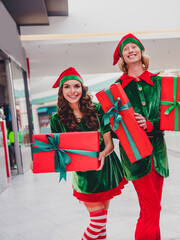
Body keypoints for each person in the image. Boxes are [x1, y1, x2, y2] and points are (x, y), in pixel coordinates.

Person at [50, 67, 128, 240]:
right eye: (67, 87)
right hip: (84, 176)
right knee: (97, 222)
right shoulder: (57, 119)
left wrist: (103, 154)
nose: (72, 91)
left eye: (76, 86)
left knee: (102, 226)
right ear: (61, 91)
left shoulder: (98, 109)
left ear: (82, 89)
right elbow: (57, 151)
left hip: (105, 170)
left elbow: (109, 145)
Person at [112, 33, 169, 240]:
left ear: (141, 53)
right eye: (126, 49)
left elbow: (172, 116)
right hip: (134, 156)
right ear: (122, 57)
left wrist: (150, 123)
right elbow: (110, 127)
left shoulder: (159, 82)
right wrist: (122, 124)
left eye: (134, 47)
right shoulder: (116, 88)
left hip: (158, 154)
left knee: (154, 209)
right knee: (151, 207)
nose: (130, 50)